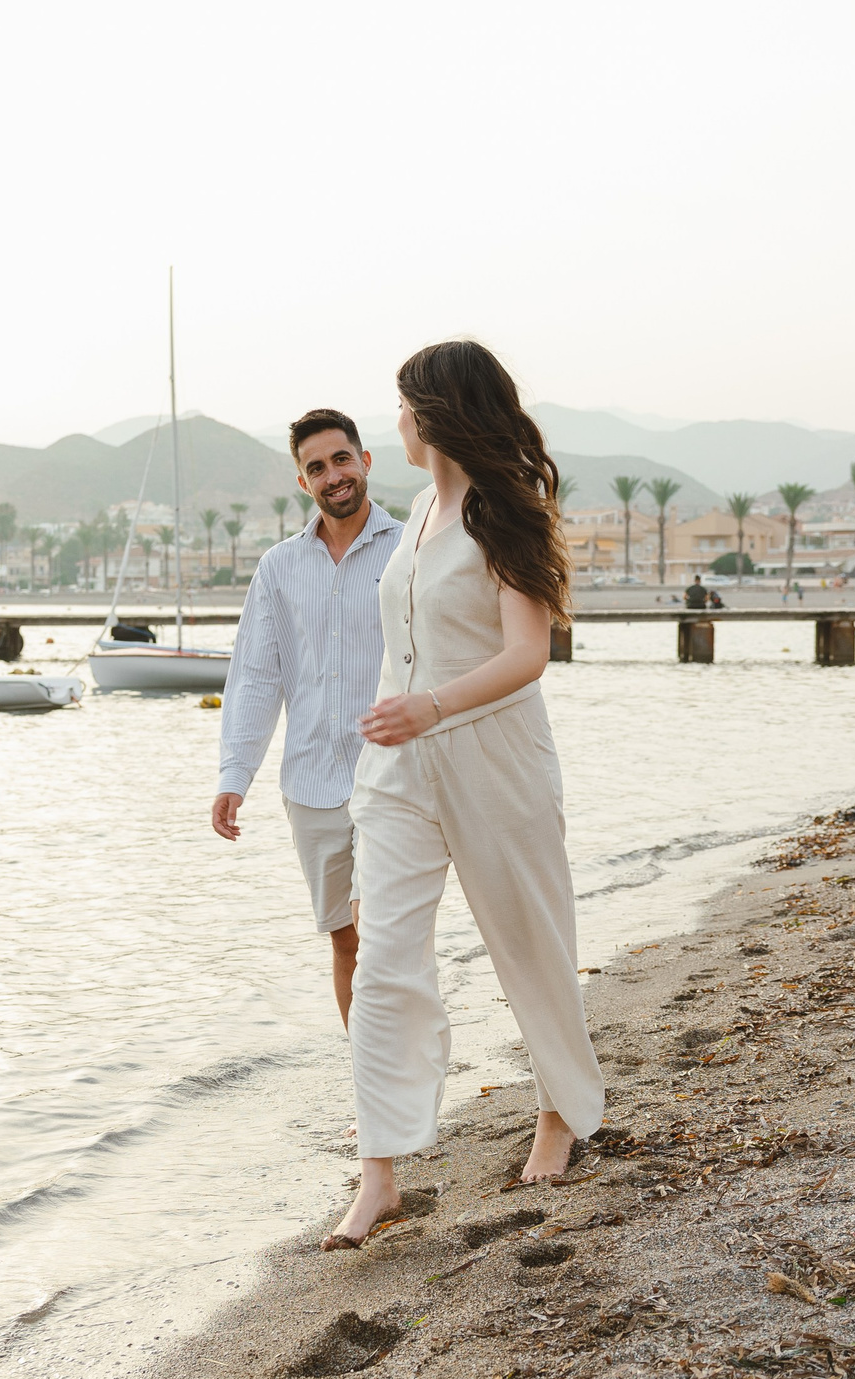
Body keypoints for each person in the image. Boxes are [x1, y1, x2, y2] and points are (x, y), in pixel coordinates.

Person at [323, 340, 604, 1251]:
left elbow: (529, 655)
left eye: (402, 405)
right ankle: (381, 1173)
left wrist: (432, 706)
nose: (393, 421)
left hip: (493, 755)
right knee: (385, 962)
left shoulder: (502, 514)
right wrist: (389, 723)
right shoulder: (415, 513)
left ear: (435, 412)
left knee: (528, 937)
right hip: (398, 772)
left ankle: (561, 1111)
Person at [212, 409, 402, 1027]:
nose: (333, 476)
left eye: (341, 459)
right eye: (316, 468)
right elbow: (256, 677)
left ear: (365, 460)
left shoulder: (408, 551)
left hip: (397, 778)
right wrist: (234, 777)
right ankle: (374, 1092)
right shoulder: (279, 568)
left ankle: (408, 1095)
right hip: (313, 784)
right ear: (303, 482)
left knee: (390, 938)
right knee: (345, 941)